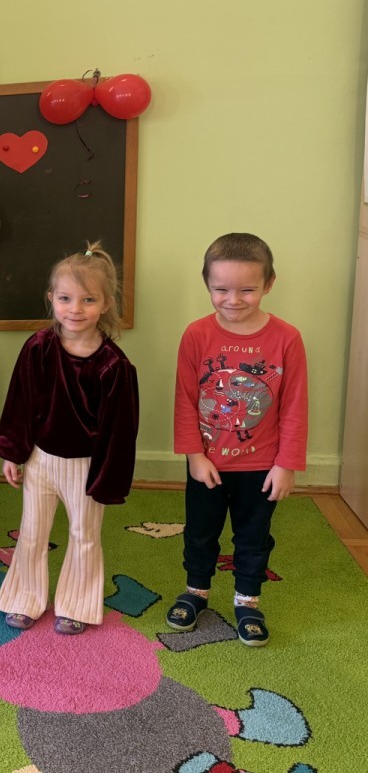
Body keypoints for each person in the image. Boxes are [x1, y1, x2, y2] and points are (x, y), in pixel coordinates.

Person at [168, 233, 307, 647]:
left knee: (253, 537)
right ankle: (196, 592)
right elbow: (185, 400)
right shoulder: (196, 335)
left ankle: (248, 601)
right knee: (200, 532)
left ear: (269, 284)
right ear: (207, 284)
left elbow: (295, 405)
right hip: (207, 464)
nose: (233, 300)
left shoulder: (287, 338)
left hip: (262, 466)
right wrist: (194, 456)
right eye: (221, 289)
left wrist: (286, 464)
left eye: (247, 289)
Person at [0, 243, 139, 635]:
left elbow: (120, 430)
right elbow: (20, 401)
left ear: (105, 304)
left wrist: (107, 479)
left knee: (84, 535)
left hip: (85, 466)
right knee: (32, 532)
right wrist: (12, 451)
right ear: (51, 299)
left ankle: (76, 605)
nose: (75, 309)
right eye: (65, 298)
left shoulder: (114, 365)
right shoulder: (38, 348)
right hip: (41, 460)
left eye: (88, 300)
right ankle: (24, 598)